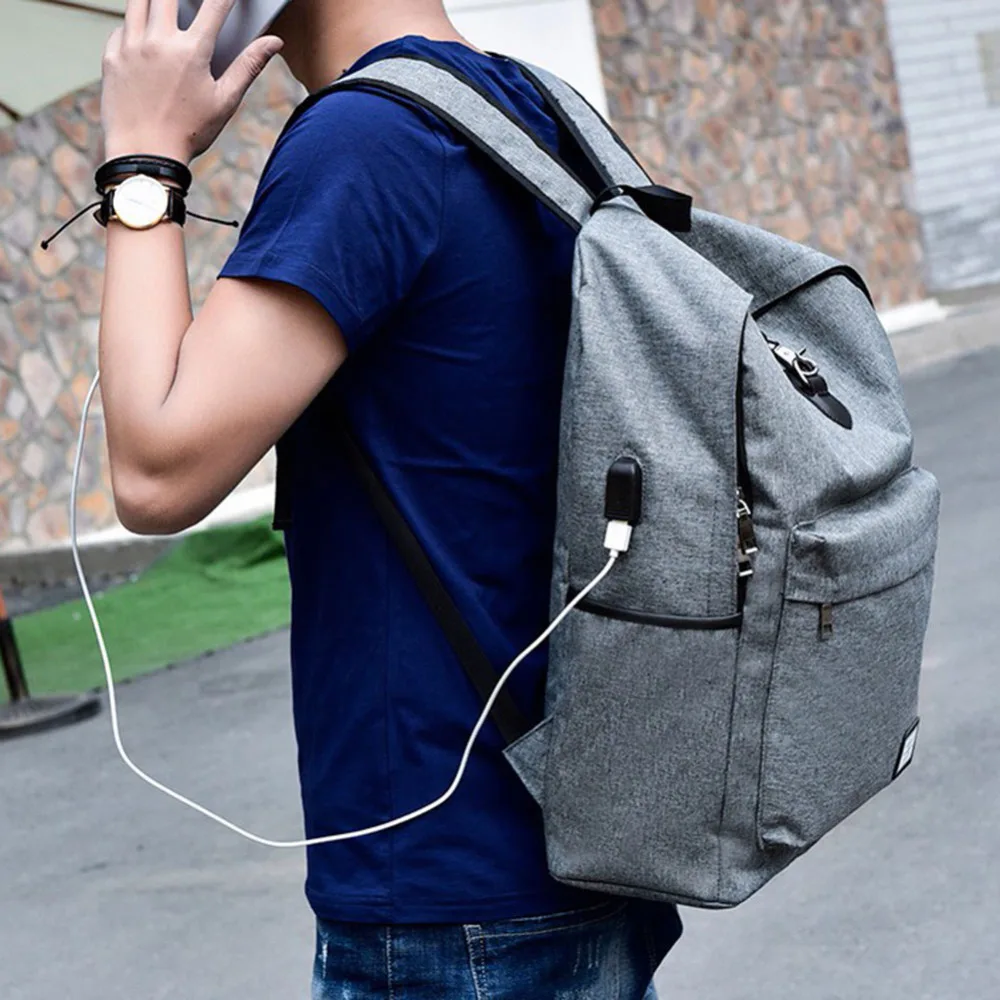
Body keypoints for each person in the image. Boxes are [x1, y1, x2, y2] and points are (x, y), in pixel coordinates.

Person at [96, 0, 683, 995]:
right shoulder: (534, 109)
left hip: (450, 899)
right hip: (567, 838)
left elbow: (156, 474)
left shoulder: (366, 139)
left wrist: (143, 161)